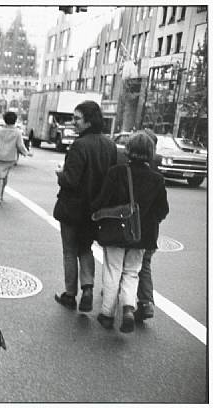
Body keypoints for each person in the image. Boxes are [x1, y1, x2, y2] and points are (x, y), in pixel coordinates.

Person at [91, 132, 169, 333]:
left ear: (129, 149)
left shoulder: (116, 172)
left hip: (116, 232)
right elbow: (163, 210)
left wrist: (94, 211)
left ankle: (107, 313)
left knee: (112, 270)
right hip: (142, 235)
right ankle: (127, 308)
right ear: (151, 152)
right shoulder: (157, 179)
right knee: (132, 272)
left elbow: (102, 201)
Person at [53, 100, 117, 312]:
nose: (74, 122)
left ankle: (70, 294)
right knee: (85, 248)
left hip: (73, 207)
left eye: (77, 118)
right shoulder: (110, 145)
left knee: (70, 251)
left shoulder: (79, 145)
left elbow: (70, 179)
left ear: (89, 121)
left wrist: (60, 174)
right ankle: (88, 288)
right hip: (95, 209)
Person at [0, 111, 32, 204]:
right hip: (10, 157)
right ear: (15, 120)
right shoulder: (17, 132)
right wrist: (27, 153)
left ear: (5, 120)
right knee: (5, 176)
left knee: (0, 177)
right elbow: (20, 146)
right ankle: (2, 193)